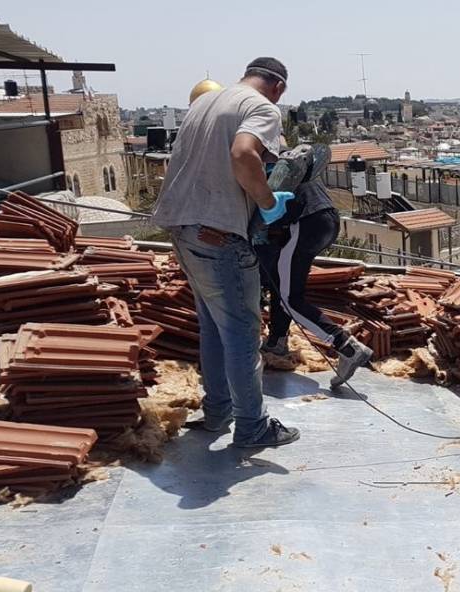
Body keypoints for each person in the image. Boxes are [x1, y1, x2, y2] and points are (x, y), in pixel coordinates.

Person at [151, 57, 300, 448]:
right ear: (278, 88)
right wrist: (267, 201)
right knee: (241, 333)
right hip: (218, 234)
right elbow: (243, 154)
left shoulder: (204, 102)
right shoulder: (262, 107)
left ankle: (218, 412)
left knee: (215, 328)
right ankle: (252, 426)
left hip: (184, 230)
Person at [254, 146, 374, 387]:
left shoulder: (266, 163)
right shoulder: (289, 156)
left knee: (289, 298)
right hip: (326, 220)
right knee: (282, 284)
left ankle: (346, 346)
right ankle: (277, 340)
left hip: (304, 223)